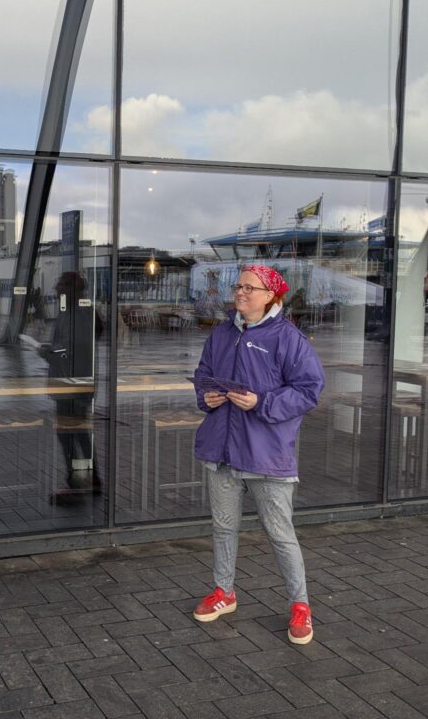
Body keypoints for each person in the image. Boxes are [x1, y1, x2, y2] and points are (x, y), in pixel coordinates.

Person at [190, 265, 324, 645]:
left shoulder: (288, 338)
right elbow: (203, 374)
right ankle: (224, 591)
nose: (241, 292)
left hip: (267, 455)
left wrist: (262, 403)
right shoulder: (221, 333)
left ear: (270, 296)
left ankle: (300, 606)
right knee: (223, 527)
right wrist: (206, 397)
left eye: (250, 287)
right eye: (239, 286)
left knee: (280, 534)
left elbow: (309, 390)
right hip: (222, 451)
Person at [41, 271, 103, 501]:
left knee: (68, 433)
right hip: (77, 382)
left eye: (59, 286)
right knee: (79, 432)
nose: (56, 290)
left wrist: (44, 351)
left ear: (68, 290)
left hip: (71, 384)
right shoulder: (83, 312)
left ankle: (76, 481)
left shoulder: (74, 315)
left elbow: (68, 351)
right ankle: (90, 478)